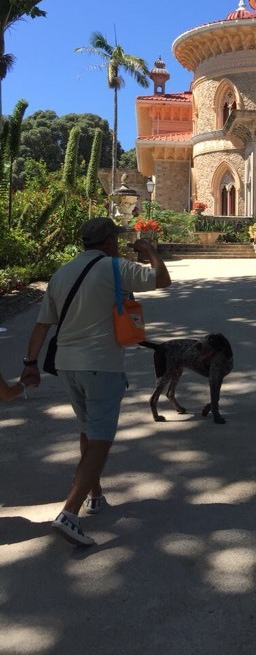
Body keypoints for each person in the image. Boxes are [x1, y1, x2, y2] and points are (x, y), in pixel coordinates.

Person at [21, 217, 171, 547]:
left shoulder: (61, 274)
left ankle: (96, 493)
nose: (117, 243)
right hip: (101, 366)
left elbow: (42, 326)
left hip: (67, 365)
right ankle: (69, 514)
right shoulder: (116, 268)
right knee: (100, 439)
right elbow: (163, 279)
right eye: (115, 239)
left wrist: (30, 364)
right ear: (107, 242)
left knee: (88, 429)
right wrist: (148, 251)